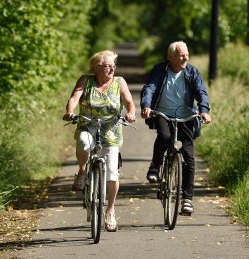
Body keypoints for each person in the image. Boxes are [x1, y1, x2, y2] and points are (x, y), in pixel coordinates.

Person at [63, 50, 136, 232]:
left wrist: (131, 113)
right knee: (83, 142)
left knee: (112, 172)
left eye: (113, 66)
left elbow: (129, 102)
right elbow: (74, 98)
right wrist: (70, 111)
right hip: (88, 124)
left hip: (111, 129)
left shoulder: (119, 82)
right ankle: (82, 171)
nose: (111, 69)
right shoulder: (85, 81)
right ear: (95, 68)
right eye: (106, 66)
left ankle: (110, 211)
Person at [140, 41, 211, 215]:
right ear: (170, 57)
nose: (185, 57)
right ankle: (155, 167)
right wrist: (147, 106)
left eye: (187, 54)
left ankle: (187, 199)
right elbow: (150, 87)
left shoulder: (192, 72)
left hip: (186, 116)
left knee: (188, 155)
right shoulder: (160, 70)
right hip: (163, 114)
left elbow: (201, 92)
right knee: (165, 137)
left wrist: (204, 111)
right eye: (181, 55)